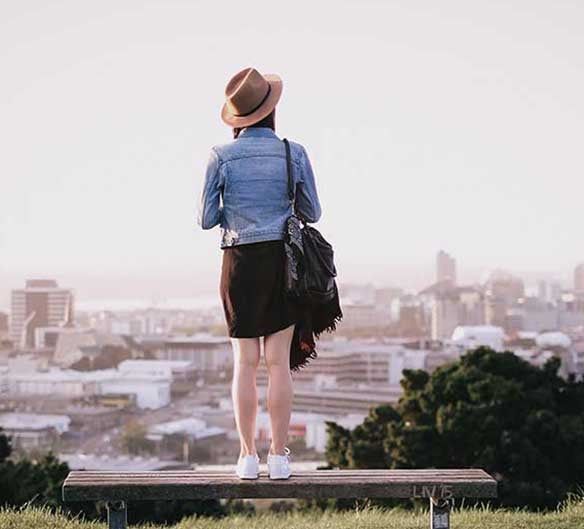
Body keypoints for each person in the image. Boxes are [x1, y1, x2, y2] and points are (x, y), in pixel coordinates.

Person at [196, 67, 322, 480]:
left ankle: (248, 457)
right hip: (281, 262)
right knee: (278, 364)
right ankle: (280, 457)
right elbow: (313, 212)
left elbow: (206, 218)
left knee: (244, 364)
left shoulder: (220, 156)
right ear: (271, 111)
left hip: (238, 263)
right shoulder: (293, 152)